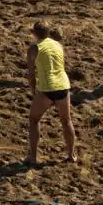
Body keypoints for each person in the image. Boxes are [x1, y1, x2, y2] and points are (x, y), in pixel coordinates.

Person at [26, 21, 76, 165]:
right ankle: (71, 155)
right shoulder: (58, 45)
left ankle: (33, 157)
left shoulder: (34, 48)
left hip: (47, 88)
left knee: (34, 120)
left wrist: (33, 90)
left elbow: (31, 73)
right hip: (63, 86)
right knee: (66, 121)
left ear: (34, 33)